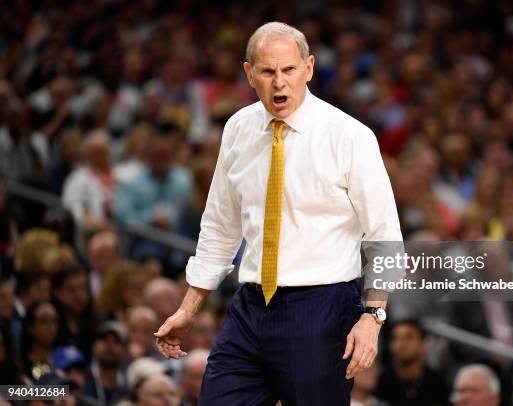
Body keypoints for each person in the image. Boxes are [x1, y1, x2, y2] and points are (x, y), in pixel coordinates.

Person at [154, 21, 402, 405]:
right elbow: (220, 226)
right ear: (249, 74)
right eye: (268, 72)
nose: (279, 82)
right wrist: (189, 308)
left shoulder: (349, 135)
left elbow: (384, 234)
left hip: (323, 308)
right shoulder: (237, 128)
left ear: (309, 68)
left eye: (288, 70)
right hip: (250, 306)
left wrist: (374, 317)